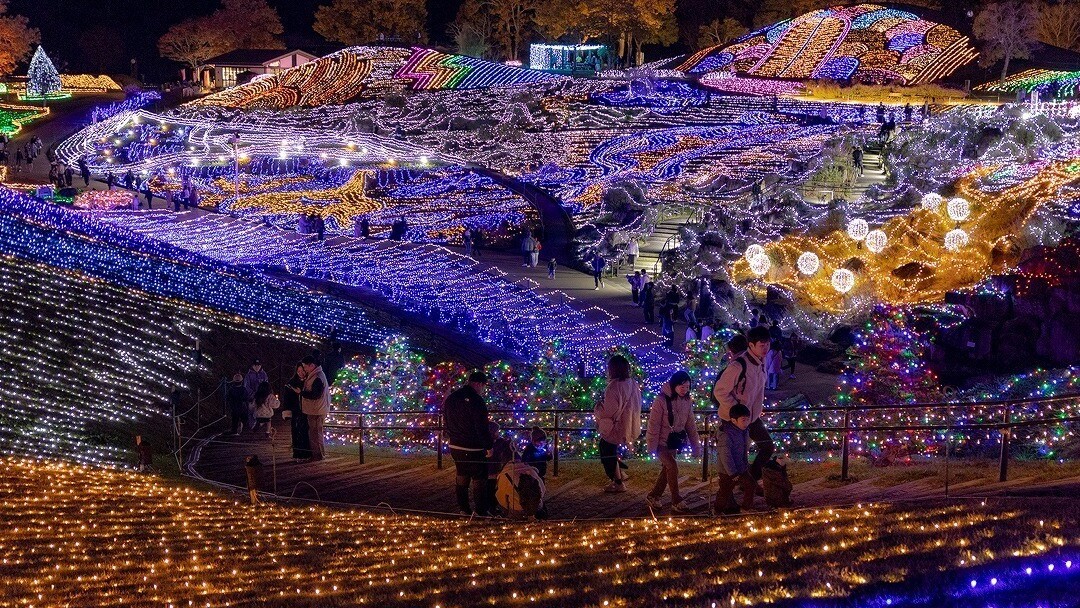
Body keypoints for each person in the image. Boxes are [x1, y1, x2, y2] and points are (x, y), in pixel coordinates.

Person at [712, 326, 773, 482]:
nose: (765, 348)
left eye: (767, 344)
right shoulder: (738, 365)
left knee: (767, 446)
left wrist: (755, 410)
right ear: (751, 345)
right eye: (762, 345)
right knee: (735, 457)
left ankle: (749, 481)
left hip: (752, 417)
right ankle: (733, 489)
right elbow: (719, 391)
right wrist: (736, 410)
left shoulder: (761, 362)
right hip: (733, 419)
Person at [645, 370, 700, 512]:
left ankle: (654, 495)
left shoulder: (686, 401)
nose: (685, 389)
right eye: (682, 386)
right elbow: (654, 424)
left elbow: (690, 424)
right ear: (674, 385)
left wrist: (696, 446)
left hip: (673, 442)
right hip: (661, 442)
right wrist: (652, 446)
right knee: (672, 466)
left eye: (687, 387)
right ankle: (676, 500)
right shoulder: (661, 400)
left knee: (667, 469)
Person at [443, 371, 494, 515]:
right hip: (473, 446)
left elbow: (446, 419)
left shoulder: (452, 398)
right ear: (478, 384)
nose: (483, 389)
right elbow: (481, 426)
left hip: (455, 444)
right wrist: (488, 446)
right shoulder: (477, 400)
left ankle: (464, 509)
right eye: (483, 386)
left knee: (462, 475)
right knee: (479, 478)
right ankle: (481, 511)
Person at [593, 355, 641, 493]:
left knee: (606, 449)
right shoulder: (633, 383)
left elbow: (609, 411)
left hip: (616, 426)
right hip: (629, 423)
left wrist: (598, 408)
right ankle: (620, 474)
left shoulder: (613, 387)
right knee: (610, 449)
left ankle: (617, 481)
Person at [714, 404, 758, 515]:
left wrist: (744, 464)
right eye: (743, 420)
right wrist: (732, 472)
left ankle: (746, 508)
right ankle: (717, 511)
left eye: (747, 419)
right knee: (725, 491)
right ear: (734, 420)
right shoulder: (726, 435)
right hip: (727, 471)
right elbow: (725, 455)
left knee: (750, 484)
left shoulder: (744, 431)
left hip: (741, 467)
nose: (746, 422)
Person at [295, 355, 330, 461]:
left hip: (316, 409)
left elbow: (315, 395)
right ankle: (318, 454)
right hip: (316, 408)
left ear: (312, 365)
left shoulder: (317, 377)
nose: (304, 369)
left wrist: (302, 393)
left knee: (315, 433)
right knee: (315, 432)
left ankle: (318, 455)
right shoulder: (316, 375)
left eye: (305, 367)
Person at [281, 364, 311, 459]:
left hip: (307, 410)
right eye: (298, 371)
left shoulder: (309, 381)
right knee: (297, 431)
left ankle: (307, 453)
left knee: (306, 432)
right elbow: (287, 398)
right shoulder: (291, 383)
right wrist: (286, 410)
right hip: (296, 410)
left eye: (302, 371)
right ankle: (298, 453)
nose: (300, 373)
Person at [486, 421, 515, 514]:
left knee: (496, 489)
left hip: (497, 469)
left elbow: (507, 448)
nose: (498, 433)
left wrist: (509, 443)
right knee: (489, 490)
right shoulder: (488, 443)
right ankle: (490, 507)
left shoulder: (500, 441)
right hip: (489, 470)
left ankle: (494, 506)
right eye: (497, 431)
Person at [244, 360, 268, 431]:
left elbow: (266, 384)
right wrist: (253, 394)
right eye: (255, 365)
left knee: (261, 410)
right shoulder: (248, 375)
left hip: (261, 396)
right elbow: (247, 386)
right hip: (252, 397)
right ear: (252, 366)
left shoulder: (264, 374)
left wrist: (263, 393)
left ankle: (260, 424)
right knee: (251, 410)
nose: (257, 367)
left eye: (258, 365)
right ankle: (252, 426)